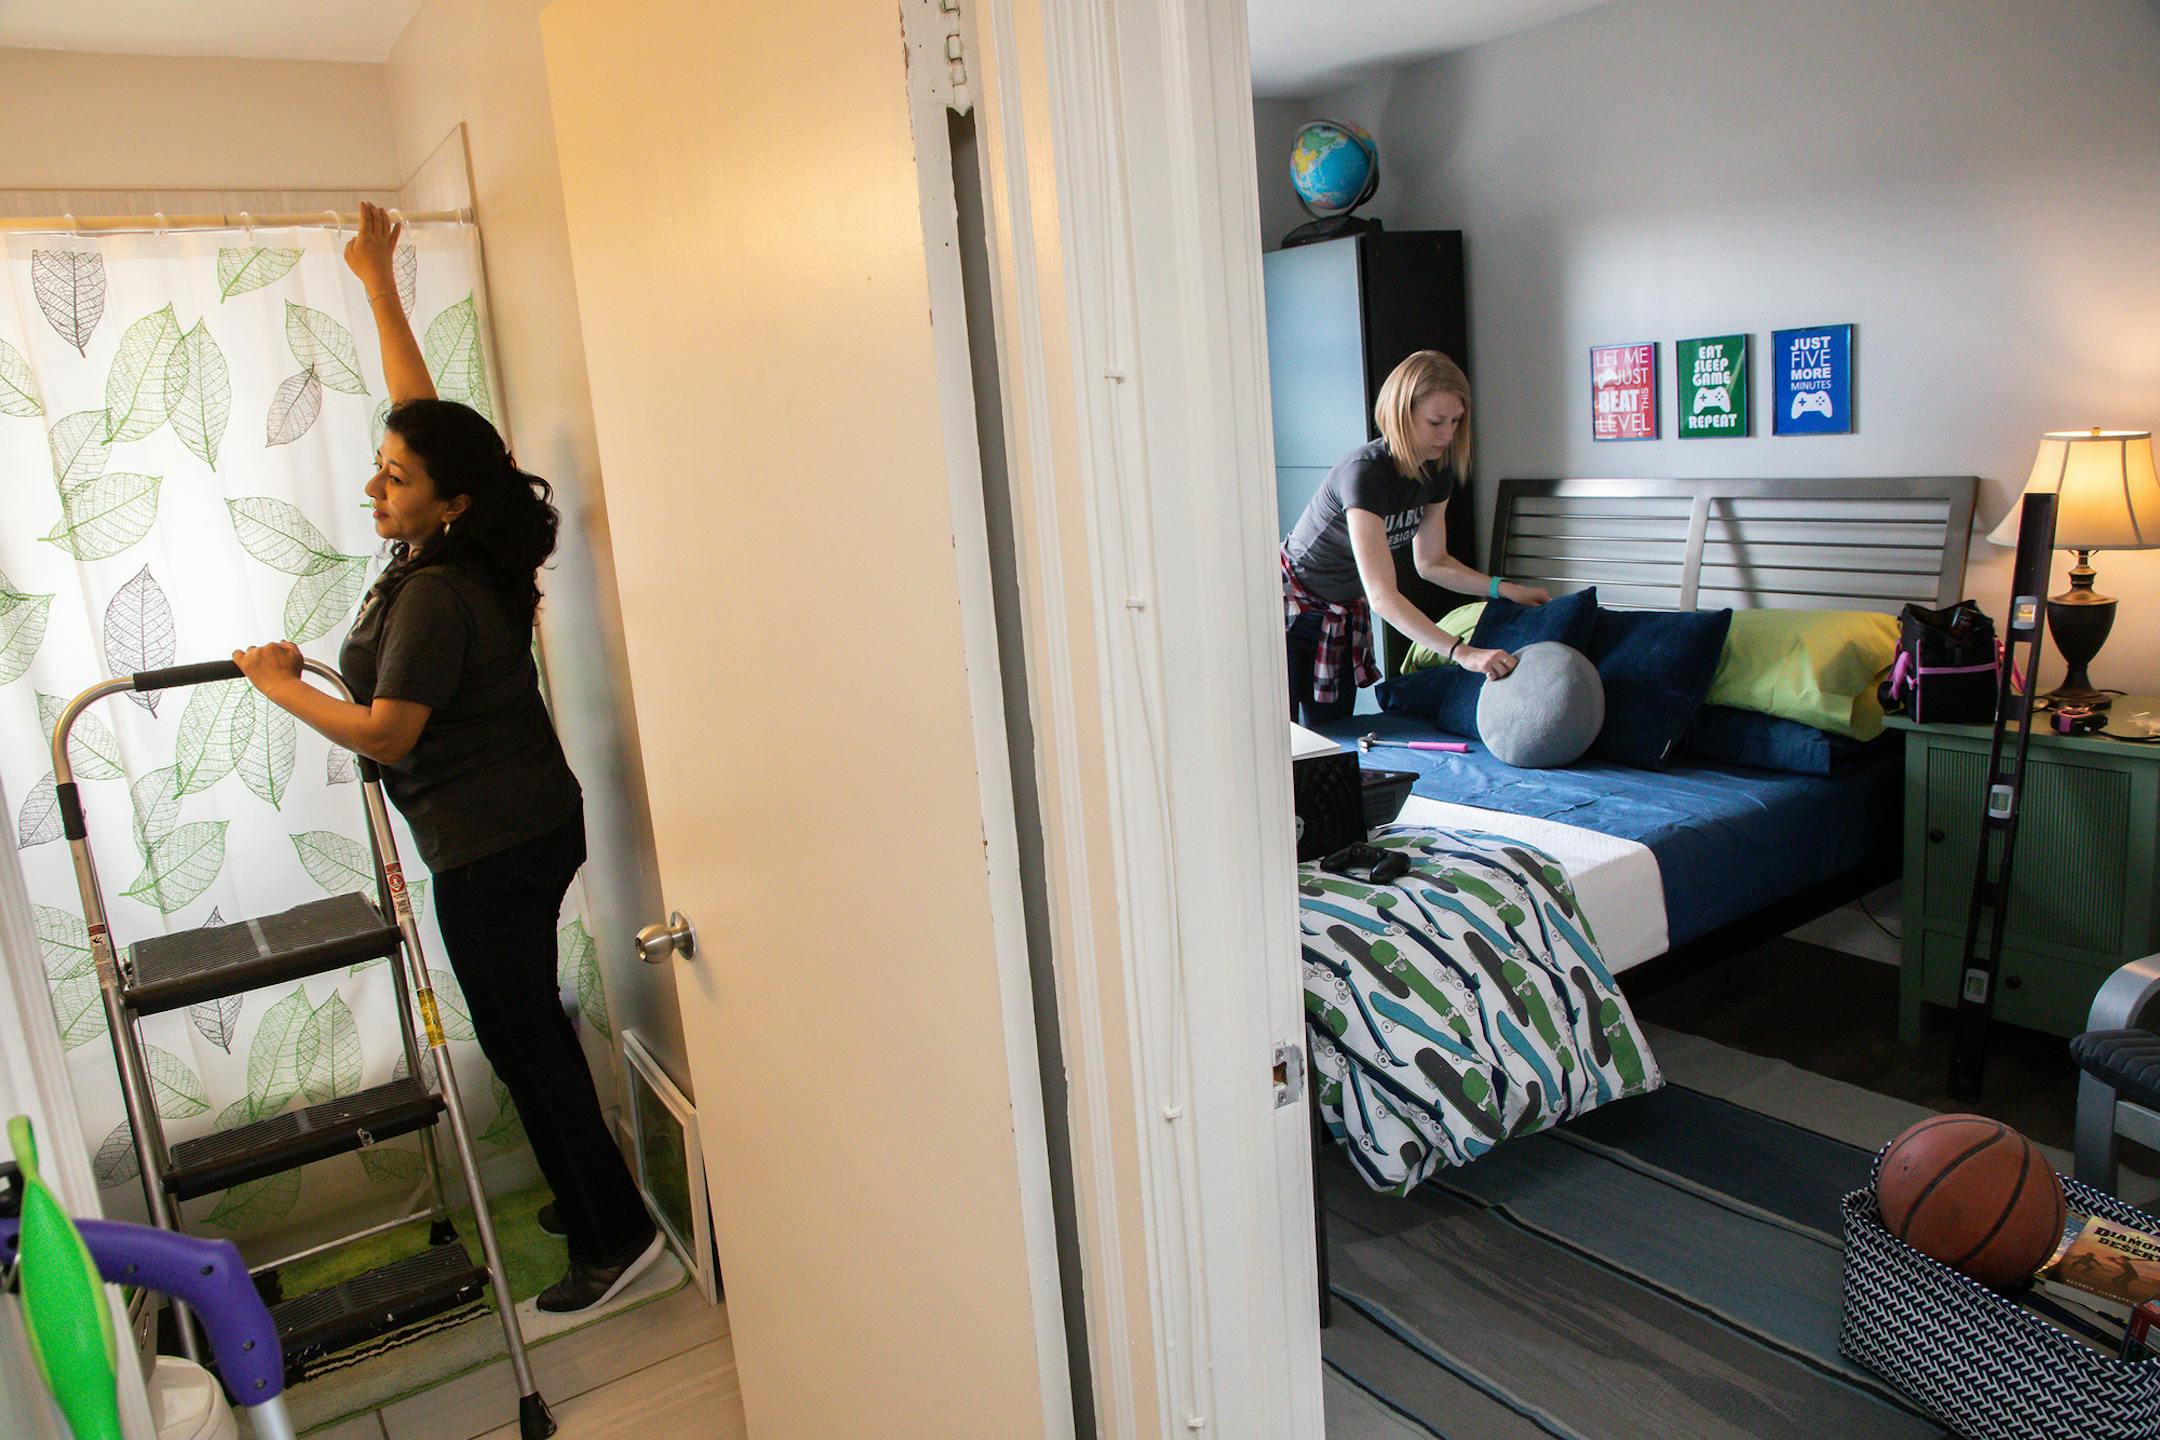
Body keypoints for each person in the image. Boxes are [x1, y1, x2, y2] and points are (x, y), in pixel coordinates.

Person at [233, 202, 661, 1314]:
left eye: (393, 479)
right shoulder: (467, 535)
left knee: (522, 1039)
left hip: (495, 845)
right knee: (526, 1026)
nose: (376, 487)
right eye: (379, 470)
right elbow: (425, 419)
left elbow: (386, 733)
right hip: (518, 824)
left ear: (448, 501)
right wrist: (377, 284)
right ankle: (589, 1189)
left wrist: (279, 689)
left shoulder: (435, 590)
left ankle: (616, 1239)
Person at [1281, 349, 1549, 725]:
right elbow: (1382, 596)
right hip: (1292, 611)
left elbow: (1432, 562)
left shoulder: (1436, 473)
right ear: (1401, 415)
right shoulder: (1366, 474)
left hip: (1340, 612)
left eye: (1456, 421)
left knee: (1330, 739)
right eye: (1436, 422)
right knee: (1281, 744)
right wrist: (1462, 652)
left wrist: (1502, 588)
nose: (1448, 434)